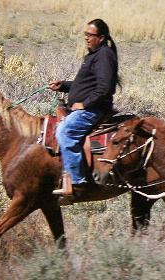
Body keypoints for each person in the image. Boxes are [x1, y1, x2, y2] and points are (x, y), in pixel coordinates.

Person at [50, 19, 119, 197]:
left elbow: (106, 88)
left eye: (90, 35)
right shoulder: (94, 55)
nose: (87, 38)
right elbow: (85, 85)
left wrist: (85, 104)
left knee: (65, 132)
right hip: (87, 107)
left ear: (101, 37)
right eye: (86, 35)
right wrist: (63, 85)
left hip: (94, 109)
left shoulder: (104, 55)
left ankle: (77, 182)